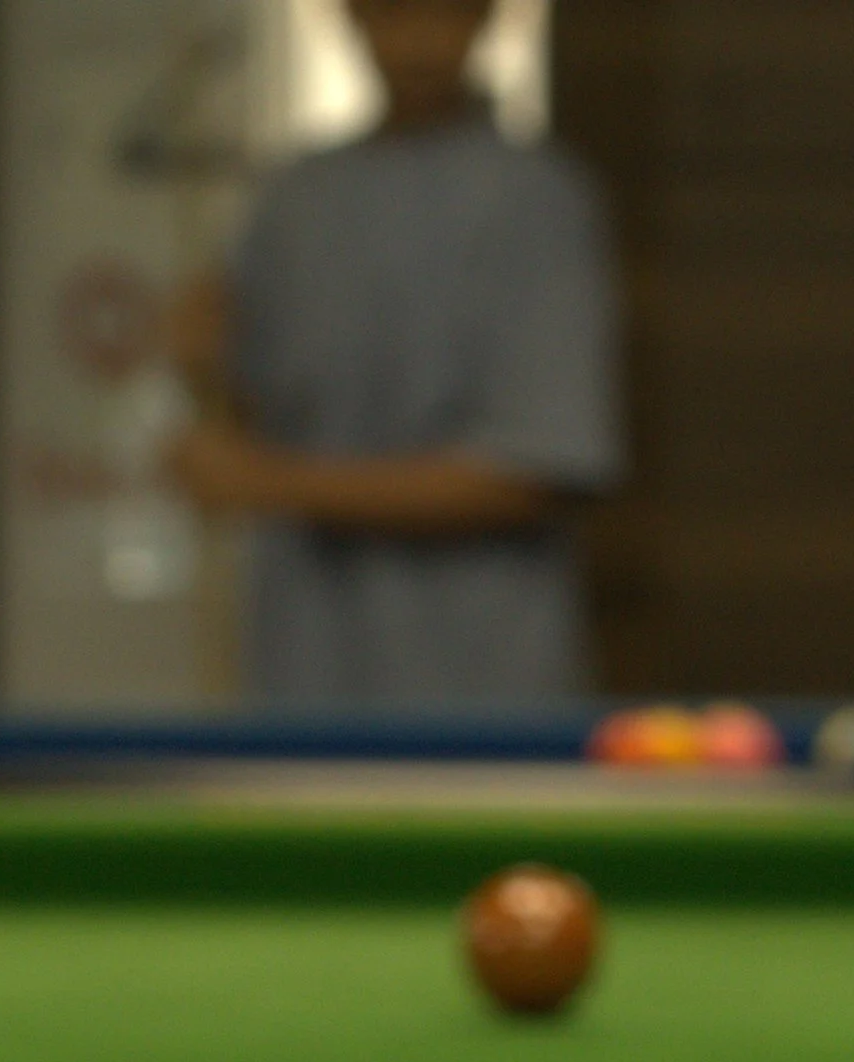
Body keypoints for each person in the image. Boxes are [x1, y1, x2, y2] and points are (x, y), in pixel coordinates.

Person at [166, 1, 622, 709]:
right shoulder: (292, 199)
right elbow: (252, 426)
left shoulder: (538, 201)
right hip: (302, 684)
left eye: (443, 11)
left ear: (488, 19)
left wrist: (265, 483)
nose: (417, 41)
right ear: (349, 15)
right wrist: (203, 367)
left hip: (480, 697)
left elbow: (531, 471)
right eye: (393, 9)